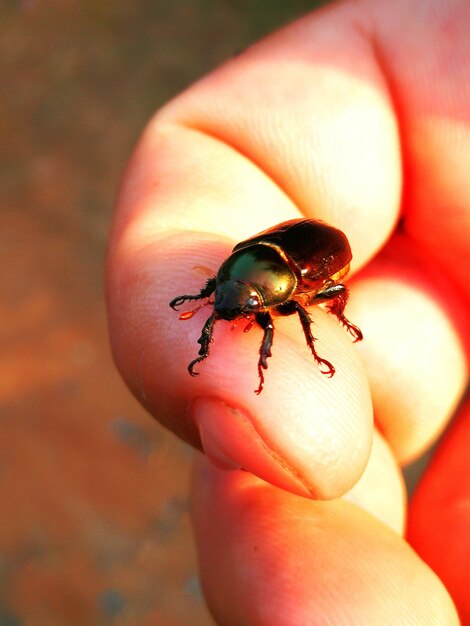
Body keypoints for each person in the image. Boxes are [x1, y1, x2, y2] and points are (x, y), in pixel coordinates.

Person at [106, 0, 469, 622]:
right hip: (273, 254)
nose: (233, 307)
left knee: (310, 323)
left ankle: (322, 332)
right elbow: (234, 283)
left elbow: (288, 308)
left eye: (240, 300)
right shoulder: (240, 267)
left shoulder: (293, 290)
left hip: (317, 254)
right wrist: (216, 293)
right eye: (228, 294)